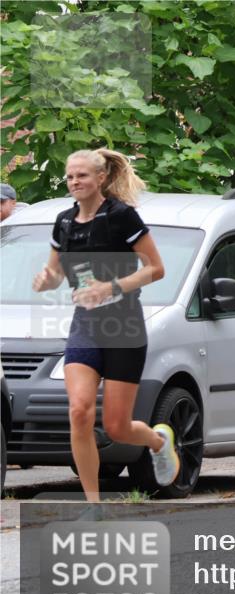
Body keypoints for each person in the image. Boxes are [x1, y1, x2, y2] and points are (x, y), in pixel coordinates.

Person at [31, 149, 178, 502]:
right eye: (69, 177)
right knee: (79, 411)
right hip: (85, 326)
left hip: (124, 326)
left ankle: (159, 441)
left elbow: (155, 269)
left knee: (117, 427)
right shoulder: (64, 222)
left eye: (81, 175)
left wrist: (109, 288)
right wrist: (45, 280)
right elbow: (55, 274)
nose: (74, 182)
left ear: (100, 178)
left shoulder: (121, 217)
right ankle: (94, 506)